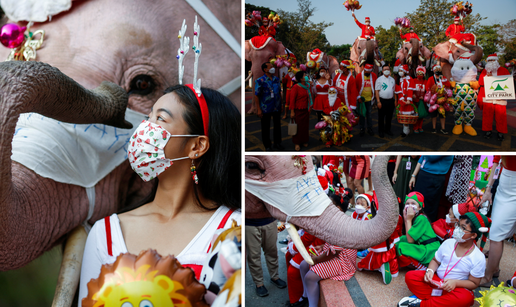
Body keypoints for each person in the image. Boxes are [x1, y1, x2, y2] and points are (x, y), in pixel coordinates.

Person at [78, 84, 242, 305]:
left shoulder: (234, 230)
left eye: (160, 119)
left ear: (197, 145)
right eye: (148, 118)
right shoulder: (105, 233)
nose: (145, 128)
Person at [399, 212, 490, 307]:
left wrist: (455, 283)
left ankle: (422, 304)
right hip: (436, 282)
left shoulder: (478, 257)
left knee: (466, 298)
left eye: (463, 228)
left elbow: (474, 283)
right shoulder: (448, 243)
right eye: (458, 225)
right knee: (411, 276)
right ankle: (441, 302)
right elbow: (435, 260)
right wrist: (430, 271)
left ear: (473, 235)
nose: (457, 229)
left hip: (455, 288)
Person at [479, 156, 516, 287]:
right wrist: (488, 189)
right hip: (504, 183)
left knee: (495, 234)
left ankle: (488, 276)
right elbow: (496, 160)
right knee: (496, 232)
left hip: (510, 183)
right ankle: (493, 269)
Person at [358, 192, 403, 285]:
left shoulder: (376, 220)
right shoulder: (398, 217)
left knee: (364, 264)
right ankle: (393, 270)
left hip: (381, 247)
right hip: (391, 247)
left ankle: (381, 266)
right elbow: (399, 231)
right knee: (392, 258)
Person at [299, 240, 357, 307]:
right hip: (333, 253)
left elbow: (334, 252)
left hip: (342, 261)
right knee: (303, 265)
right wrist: (322, 246)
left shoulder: (344, 231)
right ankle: (306, 295)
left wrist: (316, 259)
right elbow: (334, 246)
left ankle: (312, 305)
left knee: (310, 278)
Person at [396, 192, 440, 271]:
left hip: (429, 251)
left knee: (401, 247)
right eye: (407, 203)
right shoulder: (414, 217)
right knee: (400, 239)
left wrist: (408, 220)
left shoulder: (421, 218)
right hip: (421, 245)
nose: (409, 206)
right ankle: (412, 263)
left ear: (419, 208)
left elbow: (410, 241)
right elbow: (408, 235)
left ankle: (422, 267)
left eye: (413, 203)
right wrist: (406, 219)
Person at [409, 156, 454, 222]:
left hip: (434, 178)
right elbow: (422, 158)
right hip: (423, 174)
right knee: (416, 203)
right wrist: (414, 175)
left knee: (428, 208)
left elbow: (431, 157)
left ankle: (425, 229)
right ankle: (413, 226)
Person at [478, 53, 511, 141]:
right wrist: (486, 78)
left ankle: (500, 132)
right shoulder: (485, 71)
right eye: (489, 61)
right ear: (487, 62)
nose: (491, 62)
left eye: (493, 60)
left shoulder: (504, 70)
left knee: (501, 116)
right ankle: (488, 131)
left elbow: (508, 83)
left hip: (500, 99)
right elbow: (480, 82)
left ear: (496, 61)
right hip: (488, 98)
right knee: (487, 116)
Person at [255, 61, 283, 151]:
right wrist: (258, 109)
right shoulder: (260, 81)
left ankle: (277, 143)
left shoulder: (276, 79)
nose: (273, 68)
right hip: (266, 107)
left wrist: (281, 104)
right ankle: (267, 144)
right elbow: (257, 95)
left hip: (277, 106)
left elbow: (279, 92)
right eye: (270, 67)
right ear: (265, 69)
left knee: (277, 126)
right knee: (265, 127)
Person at [290, 70, 313, 151]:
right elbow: (292, 100)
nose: (306, 76)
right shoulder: (296, 87)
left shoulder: (307, 86)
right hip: (298, 110)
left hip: (306, 109)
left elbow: (310, 96)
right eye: (304, 75)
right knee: (298, 127)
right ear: (301, 78)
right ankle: (297, 143)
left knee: (305, 127)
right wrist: (292, 111)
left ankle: (304, 140)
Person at [426, 62, 451, 134]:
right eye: (436, 69)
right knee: (434, 115)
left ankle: (443, 128)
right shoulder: (431, 79)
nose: (438, 70)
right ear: (433, 70)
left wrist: (444, 81)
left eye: (439, 69)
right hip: (433, 99)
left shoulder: (444, 77)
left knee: (442, 114)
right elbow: (428, 88)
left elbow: (448, 86)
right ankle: (434, 128)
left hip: (442, 99)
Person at [375, 64, 396, 137]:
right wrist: (378, 101)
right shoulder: (379, 79)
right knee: (381, 117)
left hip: (390, 101)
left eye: (388, 69)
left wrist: (395, 100)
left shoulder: (392, 79)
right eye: (385, 69)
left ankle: (388, 129)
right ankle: (381, 131)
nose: (386, 71)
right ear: (382, 71)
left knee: (389, 117)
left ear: (390, 71)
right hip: (382, 101)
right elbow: (377, 91)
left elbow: (394, 91)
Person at [356, 63, 377, 136]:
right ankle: (362, 128)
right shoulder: (359, 76)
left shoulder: (374, 75)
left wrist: (374, 98)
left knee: (369, 115)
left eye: (368, 73)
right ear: (364, 70)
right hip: (361, 99)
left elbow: (375, 86)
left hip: (370, 99)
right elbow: (356, 87)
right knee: (361, 115)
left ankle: (369, 128)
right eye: (366, 72)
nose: (367, 74)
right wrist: (358, 97)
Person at [395, 64, 416, 137]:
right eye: (399, 71)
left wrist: (408, 99)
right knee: (404, 117)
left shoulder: (410, 79)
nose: (400, 72)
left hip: (408, 101)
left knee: (407, 116)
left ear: (405, 71)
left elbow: (410, 89)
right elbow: (399, 91)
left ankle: (406, 131)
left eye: (401, 71)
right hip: (402, 101)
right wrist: (402, 99)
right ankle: (405, 130)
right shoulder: (398, 80)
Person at [412, 66, 426, 134]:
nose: (419, 75)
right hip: (414, 100)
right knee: (415, 115)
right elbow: (410, 89)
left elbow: (428, 91)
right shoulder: (413, 80)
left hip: (421, 101)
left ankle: (420, 126)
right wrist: (412, 95)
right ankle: (415, 127)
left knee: (421, 114)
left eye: (421, 74)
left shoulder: (425, 81)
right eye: (418, 73)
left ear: (423, 75)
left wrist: (424, 97)